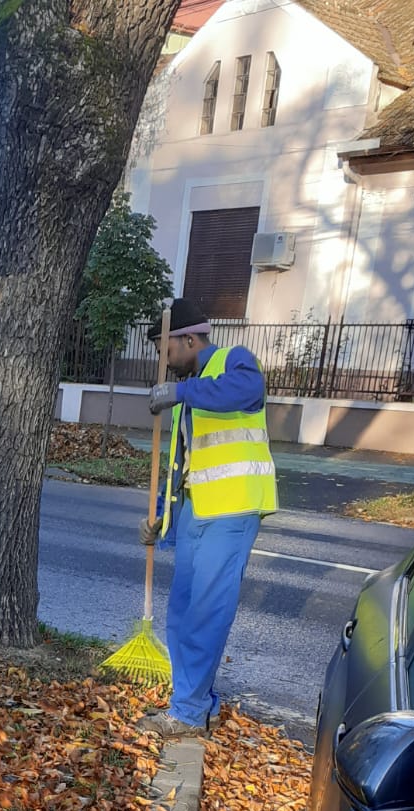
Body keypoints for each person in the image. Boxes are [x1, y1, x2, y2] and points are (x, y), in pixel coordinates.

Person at [139, 297, 277, 737]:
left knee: (205, 615)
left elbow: (247, 393)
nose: (164, 361)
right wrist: (161, 518)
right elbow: (181, 465)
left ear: (190, 339)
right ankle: (201, 701)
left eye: (166, 350)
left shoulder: (234, 363)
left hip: (232, 510)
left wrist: (180, 391)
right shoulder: (189, 392)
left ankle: (186, 712)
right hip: (198, 511)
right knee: (181, 614)